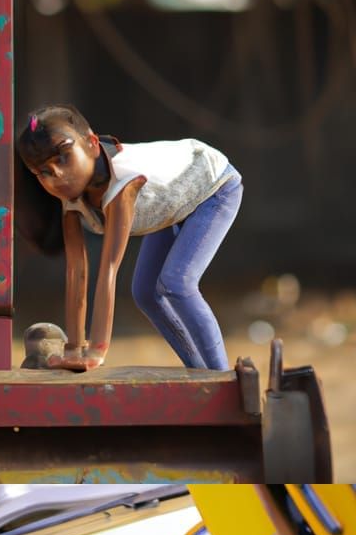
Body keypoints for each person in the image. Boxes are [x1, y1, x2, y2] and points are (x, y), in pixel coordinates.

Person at [15, 104, 242, 372]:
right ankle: (199, 372)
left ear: (91, 143)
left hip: (212, 185)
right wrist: (74, 350)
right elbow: (76, 272)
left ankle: (221, 376)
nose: (58, 177)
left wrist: (96, 352)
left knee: (177, 283)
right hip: (167, 206)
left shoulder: (122, 183)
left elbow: (109, 270)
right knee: (145, 293)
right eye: (44, 172)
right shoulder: (70, 197)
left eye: (63, 157)